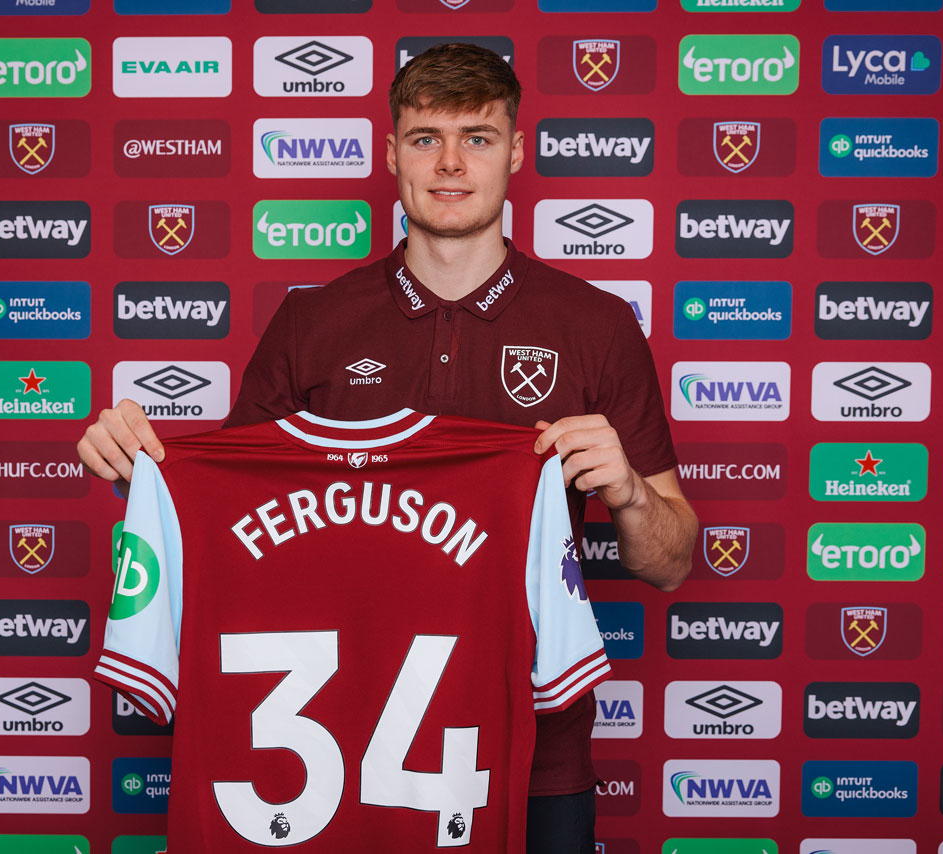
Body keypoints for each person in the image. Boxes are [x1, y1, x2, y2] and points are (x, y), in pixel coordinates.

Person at [79, 42, 697, 854]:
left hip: (532, 762)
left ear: (516, 151)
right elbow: (230, 526)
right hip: (329, 760)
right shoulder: (312, 323)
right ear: (389, 152)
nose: (449, 163)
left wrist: (628, 493)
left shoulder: (597, 326)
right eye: (423, 137)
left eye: (477, 137)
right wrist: (146, 476)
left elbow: (674, 561)